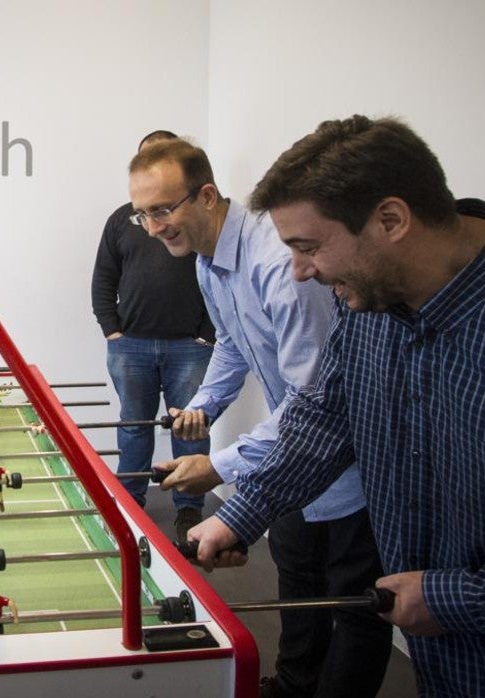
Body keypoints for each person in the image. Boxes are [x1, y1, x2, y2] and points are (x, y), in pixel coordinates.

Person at [189, 115, 485, 696]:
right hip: (440, 667)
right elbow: (326, 414)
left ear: (391, 220)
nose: (300, 272)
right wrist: (244, 513)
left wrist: (452, 598)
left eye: (309, 247)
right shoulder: (367, 298)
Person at [133, 138, 390, 698]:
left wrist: (221, 466)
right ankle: (295, 686)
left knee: (354, 608)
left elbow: (314, 403)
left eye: (161, 210)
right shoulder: (207, 262)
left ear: (204, 196)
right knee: (296, 584)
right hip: (288, 463)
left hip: (348, 473)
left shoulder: (279, 267)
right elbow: (231, 343)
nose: (152, 228)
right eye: (142, 213)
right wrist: (205, 405)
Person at [92, 129, 216, 537]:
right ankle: (129, 505)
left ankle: (188, 507)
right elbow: (103, 278)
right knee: (133, 425)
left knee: (191, 426)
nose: (153, 224)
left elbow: (217, 278)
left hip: (189, 347)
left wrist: (206, 334)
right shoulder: (121, 220)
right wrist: (113, 331)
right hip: (132, 346)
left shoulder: (195, 222)